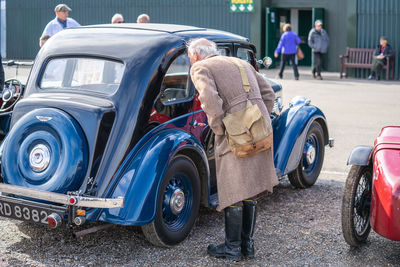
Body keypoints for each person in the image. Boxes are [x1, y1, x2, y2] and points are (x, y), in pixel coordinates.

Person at [188, 38, 278, 261]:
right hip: (260, 132)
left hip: (235, 135)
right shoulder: (242, 63)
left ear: (196, 55)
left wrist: (219, 127)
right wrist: (256, 120)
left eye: (190, 58)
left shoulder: (201, 67)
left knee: (234, 188)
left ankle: (232, 248)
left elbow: (209, 100)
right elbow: (269, 94)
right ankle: (247, 246)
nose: (191, 61)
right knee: (251, 187)